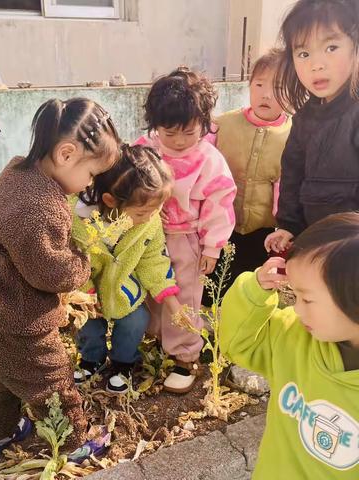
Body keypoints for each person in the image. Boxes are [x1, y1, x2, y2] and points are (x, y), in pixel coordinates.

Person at [0, 98, 121, 459]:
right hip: (17, 320)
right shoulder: (36, 209)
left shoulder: (18, 171)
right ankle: (75, 442)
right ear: (66, 154)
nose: (87, 184)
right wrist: (81, 262)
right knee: (52, 379)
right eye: (91, 173)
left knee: (4, 375)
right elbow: (51, 272)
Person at [220, 211, 359, 479]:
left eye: (307, 299)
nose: (295, 309)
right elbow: (238, 344)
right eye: (293, 295)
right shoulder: (294, 336)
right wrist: (255, 290)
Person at [135, 67, 236, 393]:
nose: (178, 141)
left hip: (185, 238)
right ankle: (160, 338)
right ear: (155, 126)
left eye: (188, 133)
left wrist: (212, 248)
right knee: (152, 291)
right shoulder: (145, 150)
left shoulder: (209, 160)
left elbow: (219, 204)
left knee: (184, 295)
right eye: (169, 133)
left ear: (204, 125)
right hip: (147, 234)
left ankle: (185, 357)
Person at [72, 144, 182, 394]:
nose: (151, 217)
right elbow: (69, 260)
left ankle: (123, 363)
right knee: (88, 326)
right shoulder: (76, 219)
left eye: (156, 209)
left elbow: (153, 259)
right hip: (85, 291)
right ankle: (92, 360)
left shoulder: (148, 222)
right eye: (143, 212)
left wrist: (171, 301)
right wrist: (85, 295)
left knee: (136, 320)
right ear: (110, 200)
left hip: (123, 289)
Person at [265, 0, 359, 254]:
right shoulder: (305, 117)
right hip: (315, 243)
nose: (316, 64)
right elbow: (292, 174)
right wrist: (288, 225)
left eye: (331, 47)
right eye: (303, 53)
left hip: (350, 249)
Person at [211, 49, 291, 291]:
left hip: (263, 232)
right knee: (214, 286)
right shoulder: (221, 125)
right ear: (249, 85)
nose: (266, 94)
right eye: (259, 84)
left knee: (251, 287)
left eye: (278, 87)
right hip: (220, 226)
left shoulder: (295, 135)